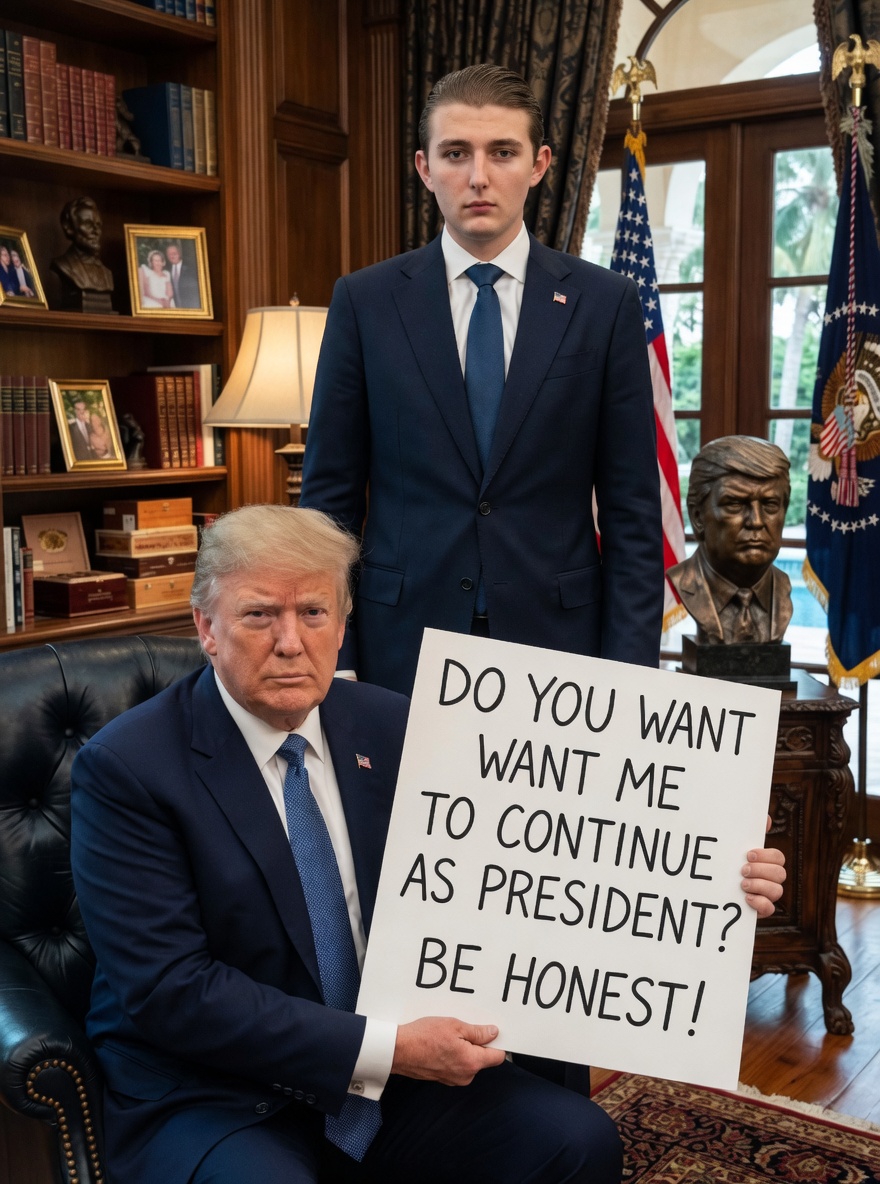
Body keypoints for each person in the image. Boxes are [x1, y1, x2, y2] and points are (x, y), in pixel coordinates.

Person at [70, 504, 785, 1184]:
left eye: (313, 612)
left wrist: (710, 863)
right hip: (221, 1091)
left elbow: (557, 852)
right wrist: (388, 1048)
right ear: (206, 626)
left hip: (394, 1078)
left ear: (343, 623)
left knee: (577, 1141)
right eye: (260, 615)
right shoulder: (128, 768)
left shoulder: (396, 724)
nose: (290, 642)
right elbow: (173, 992)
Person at [300, 64, 664, 697]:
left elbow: (632, 512)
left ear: (539, 164)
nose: (478, 176)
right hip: (398, 646)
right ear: (424, 167)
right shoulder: (365, 302)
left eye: (502, 152)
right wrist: (339, 653)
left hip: (561, 651)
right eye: (455, 153)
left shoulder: (605, 305)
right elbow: (329, 504)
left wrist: (629, 674)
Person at [667, 436, 793, 645]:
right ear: (698, 516)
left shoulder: (783, 589)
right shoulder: (684, 581)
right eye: (735, 504)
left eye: (770, 504)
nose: (756, 521)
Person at [51, 196, 115, 294]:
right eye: (88, 224)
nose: (96, 231)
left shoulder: (107, 273)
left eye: (98, 225)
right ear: (69, 228)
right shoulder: (63, 265)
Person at [165, 241, 201, 308]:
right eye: (169, 254)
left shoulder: (191, 267)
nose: (172, 256)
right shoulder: (167, 270)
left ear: (179, 253)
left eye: (174, 253)